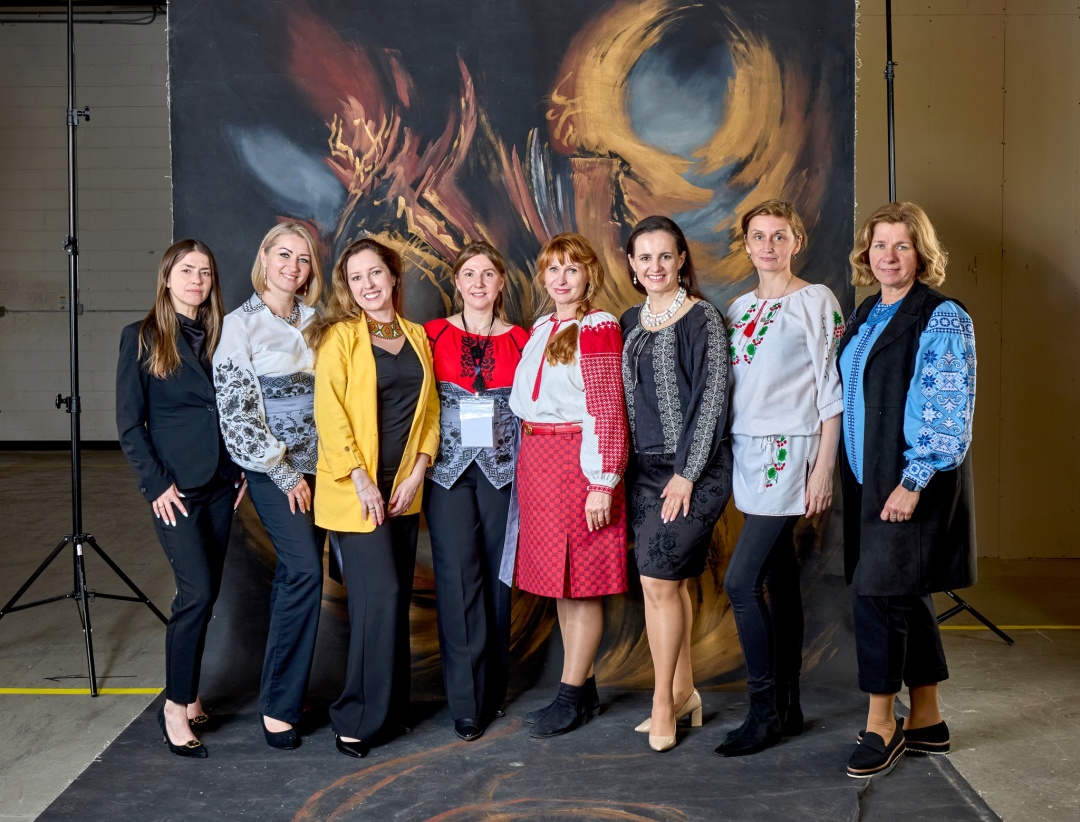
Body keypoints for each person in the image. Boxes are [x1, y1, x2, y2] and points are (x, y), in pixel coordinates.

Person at [839, 202, 976, 778]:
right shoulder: (868, 311)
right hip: (867, 478)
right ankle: (927, 720)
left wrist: (913, 480)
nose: (888, 256)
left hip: (908, 481)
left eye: (902, 245)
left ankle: (881, 725)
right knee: (906, 593)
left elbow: (948, 405)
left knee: (878, 595)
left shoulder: (941, 316)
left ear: (921, 253)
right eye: (879, 245)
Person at [717, 200, 844, 757]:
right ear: (746, 244)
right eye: (758, 236)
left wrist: (823, 470)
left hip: (789, 453)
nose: (768, 246)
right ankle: (789, 706)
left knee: (741, 583)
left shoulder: (815, 301)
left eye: (779, 236)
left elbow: (832, 393)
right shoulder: (739, 307)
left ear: (797, 242)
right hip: (747, 452)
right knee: (780, 578)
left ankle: (763, 711)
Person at [309, 238, 440, 759]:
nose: (367, 284)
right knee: (377, 597)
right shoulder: (340, 337)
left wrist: (419, 470)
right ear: (348, 287)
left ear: (393, 276)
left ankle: (389, 710)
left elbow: (431, 412)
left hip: (403, 489)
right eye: (356, 277)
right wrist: (362, 479)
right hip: (355, 490)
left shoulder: (416, 335)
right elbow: (329, 411)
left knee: (395, 598)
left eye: (375, 273)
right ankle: (355, 717)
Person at [116, 239, 245, 758]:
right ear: (167, 277)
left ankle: (189, 695)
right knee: (195, 595)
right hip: (175, 489)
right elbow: (130, 424)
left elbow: (236, 406)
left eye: (205, 272)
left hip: (220, 483)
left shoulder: (223, 335)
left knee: (205, 596)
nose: (196, 280)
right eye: (187, 270)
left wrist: (238, 469)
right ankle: (174, 707)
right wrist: (156, 484)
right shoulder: (141, 337)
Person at [509, 232, 629, 739]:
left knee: (580, 586)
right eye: (553, 269)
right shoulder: (542, 327)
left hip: (577, 462)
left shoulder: (597, 327)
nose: (561, 278)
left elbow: (606, 408)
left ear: (589, 276)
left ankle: (568, 697)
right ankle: (584, 690)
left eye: (572, 269)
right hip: (538, 460)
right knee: (562, 583)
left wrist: (603, 480)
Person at [619, 216, 732, 752]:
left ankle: (663, 701)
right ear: (632, 265)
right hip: (644, 472)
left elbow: (712, 398)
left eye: (665, 255)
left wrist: (687, 473)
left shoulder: (703, 317)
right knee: (663, 585)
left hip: (696, 469)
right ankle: (685, 692)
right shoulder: (629, 321)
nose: (655, 266)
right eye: (645, 257)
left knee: (661, 582)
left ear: (682, 259)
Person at [213, 222, 324, 750]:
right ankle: (279, 707)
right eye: (284, 255)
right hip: (277, 471)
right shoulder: (240, 325)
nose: (292, 267)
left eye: (303, 259)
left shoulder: (318, 321)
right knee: (304, 572)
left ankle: (284, 691)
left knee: (296, 578)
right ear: (264, 257)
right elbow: (236, 412)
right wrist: (282, 472)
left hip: (325, 470)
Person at [424, 242, 529, 741]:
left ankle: (492, 692)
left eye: (488, 274)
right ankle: (466, 704)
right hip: (446, 474)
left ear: (501, 282)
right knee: (457, 580)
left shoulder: (523, 340)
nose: (479, 283)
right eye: (469, 274)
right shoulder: (431, 334)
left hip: (504, 474)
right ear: (457, 281)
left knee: (497, 580)